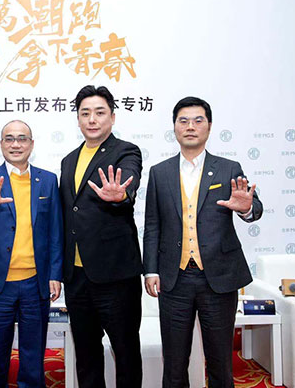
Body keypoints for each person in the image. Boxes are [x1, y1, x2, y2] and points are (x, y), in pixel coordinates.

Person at [143, 96, 263, 388]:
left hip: (218, 278)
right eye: (183, 121)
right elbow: (153, 225)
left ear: (209, 127)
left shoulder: (228, 168)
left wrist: (246, 207)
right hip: (174, 279)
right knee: (174, 363)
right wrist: (151, 270)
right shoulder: (160, 172)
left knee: (220, 362)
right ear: (174, 127)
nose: (190, 126)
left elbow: (255, 207)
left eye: (198, 120)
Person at [0, 120, 63, 388]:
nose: (15, 144)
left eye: (22, 138)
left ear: (31, 144)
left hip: (35, 284)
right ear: (1, 144)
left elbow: (55, 230)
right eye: (9, 138)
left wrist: (55, 274)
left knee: (33, 355)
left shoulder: (47, 180)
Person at [59, 85, 143, 387]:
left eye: (99, 112)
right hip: (77, 276)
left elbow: (128, 181)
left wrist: (121, 195)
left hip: (115, 275)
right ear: (78, 119)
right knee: (86, 354)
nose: (92, 119)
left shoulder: (126, 151)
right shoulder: (69, 160)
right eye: (85, 113)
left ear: (112, 117)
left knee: (126, 351)